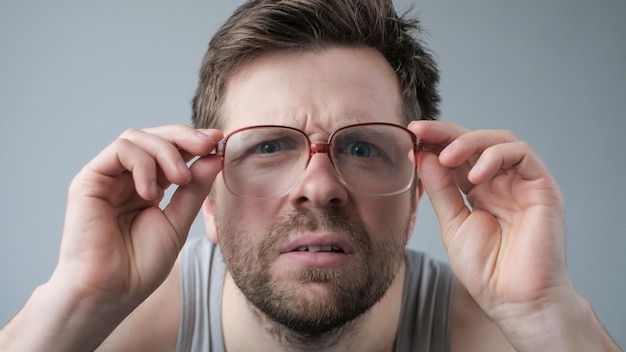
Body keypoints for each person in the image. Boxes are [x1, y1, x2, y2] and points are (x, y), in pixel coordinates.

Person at [0, 0, 622, 351]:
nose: (320, 185)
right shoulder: (119, 331)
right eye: (268, 146)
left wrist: (544, 314)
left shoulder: (498, 337)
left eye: (362, 147)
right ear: (206, 201)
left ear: (416, 198)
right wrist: (81, 299)